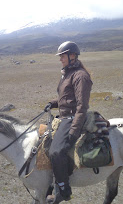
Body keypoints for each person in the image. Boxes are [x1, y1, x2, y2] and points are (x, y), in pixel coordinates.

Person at [45, 41, 93, 203]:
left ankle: (64, 188)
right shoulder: (67, 73)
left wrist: (74, 130)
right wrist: (52, 103)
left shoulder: (81, 76)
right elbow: (66, 98)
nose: (60, 59)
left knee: (56, 152)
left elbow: (82, 106)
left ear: (72, 56)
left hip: (73, 118)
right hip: (64, 117)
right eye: (60, 56)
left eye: (62, 56)